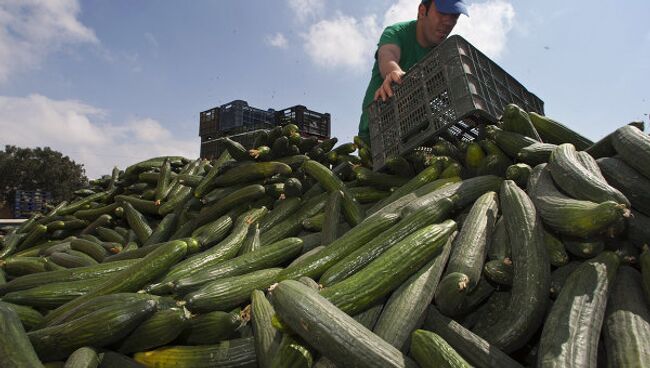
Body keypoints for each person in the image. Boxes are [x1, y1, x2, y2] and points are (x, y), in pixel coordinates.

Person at [358, 0, 468, 145]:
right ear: (422, 11)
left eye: (454, 16)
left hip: (413, 133)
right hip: (375, 133)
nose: (448, 22)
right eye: (442, 13)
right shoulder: (397, 32)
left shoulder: (444, 55)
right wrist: (394, 72)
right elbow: (387, 55)